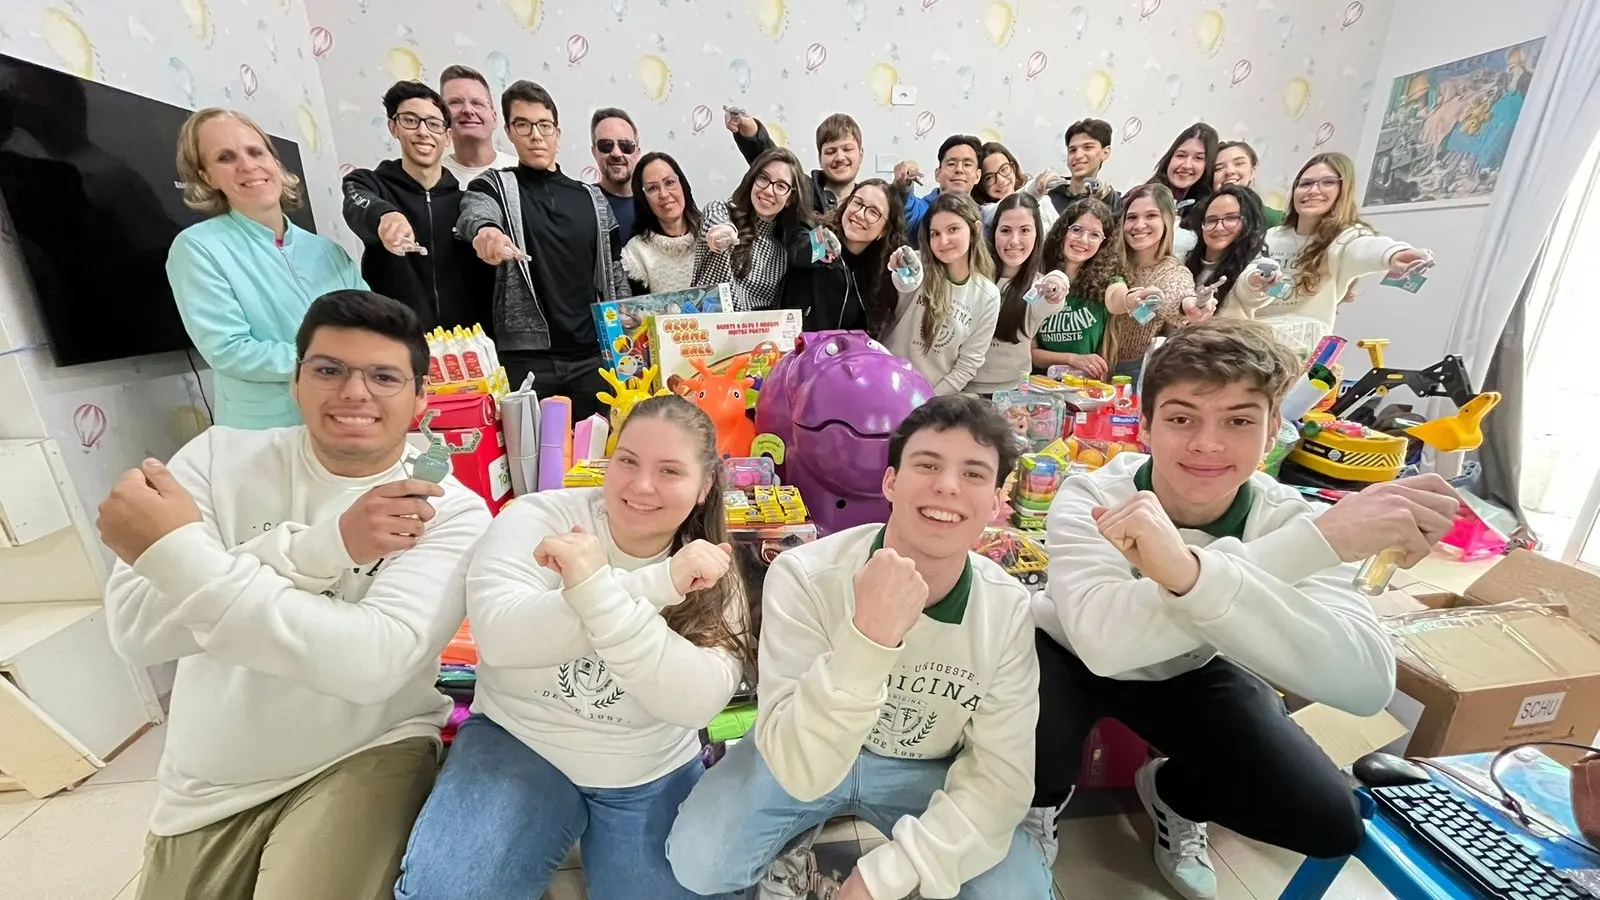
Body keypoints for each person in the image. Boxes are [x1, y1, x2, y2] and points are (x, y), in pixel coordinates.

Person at [1026, 319, 1462, 900]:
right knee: (1029, 737)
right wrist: (1301, 550)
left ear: (1273, 428)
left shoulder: (1294, 519)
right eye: (1182, 418)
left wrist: (1192, 573)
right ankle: (1038, 805)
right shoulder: (1094, 495)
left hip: (1192, 665)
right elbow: (1104, 645)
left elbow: (1366, 685)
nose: (1208, 444)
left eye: (1238, 421)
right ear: (1146, 425)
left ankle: (1174, 794)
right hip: (1066, 653)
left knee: (1327, 819)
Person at [98, 290, 491, 900]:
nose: (355, 392)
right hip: (209, 777)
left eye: (384, 376)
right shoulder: (216, 460)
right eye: (329, 369)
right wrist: (320, 548)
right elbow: (136, 630)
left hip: (366, 748)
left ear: (420, 398)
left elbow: (372, 664)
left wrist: (182, 556)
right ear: (297, 381)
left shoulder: (445, 509)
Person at [667, 394, 1052, 900]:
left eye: (974, 473)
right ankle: (790, 847)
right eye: (927, 464)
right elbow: (797, 764)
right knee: (699, 861)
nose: (948, 485)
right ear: (890, 481)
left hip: (925, 769)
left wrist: (884, 875)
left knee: (1017, 891)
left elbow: (1000, 778)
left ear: (998, 502)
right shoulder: (805, 576)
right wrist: (869, 638)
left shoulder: (1005, 608)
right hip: (798, 749)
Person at [394, 395, 755, 900]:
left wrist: (595, 589)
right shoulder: (541, 518)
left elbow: (694, 704)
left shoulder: (712, 570)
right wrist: (657, 584)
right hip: (519, 740)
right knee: (446, 892)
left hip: (646, 767)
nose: (641, 485)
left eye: (670, 471)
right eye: (627, 461)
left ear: (705, 485)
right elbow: (500, 638)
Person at [167, 107, 365, 430]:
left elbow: (371, 328)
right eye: (225, 157)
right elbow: (230, 351)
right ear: (207, 177)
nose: (248, 165)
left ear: (275, 161)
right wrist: (329, 360)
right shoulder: (198, 248)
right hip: (266, 434)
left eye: (255, 152)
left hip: (345, 421)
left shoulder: (329, 252)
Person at [457, 80, 629, 424]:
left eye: (544, 126)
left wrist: (622, 330)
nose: (536, 135)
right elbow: (475, 214)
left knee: (600, 449)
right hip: (527, 360)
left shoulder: (592, 198)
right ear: (509, 131)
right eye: (523, 125)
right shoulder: (494, 186)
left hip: (593, 356)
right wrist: (486, 233)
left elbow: (614, 270)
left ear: (557, 132)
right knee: (528, 455)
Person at [1230, 152, 1433, 337]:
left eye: (1327, 182)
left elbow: (1365, 248)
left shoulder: (1345, 239)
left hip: (1303, 352)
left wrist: (1394, 254)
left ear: (1343, 190)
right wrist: (1254, 282)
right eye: (1305, 184)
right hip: (1256, 343)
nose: (1313, 190)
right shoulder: (1271, 237)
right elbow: (1246, 289)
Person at [342, 80, 489, 333]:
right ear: (393, 127)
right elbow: (359, 203)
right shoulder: (368, 184)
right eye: (410, 120)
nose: (423, 132)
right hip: (395, 338)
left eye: (433, 124)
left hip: (464, 342)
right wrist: (386, 217)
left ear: (447, 136)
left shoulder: (466, 202)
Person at [883, 191, 1000, 395]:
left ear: (975, 229)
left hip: (930, 397)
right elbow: (905, 281)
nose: (943, 241)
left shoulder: (987, 295)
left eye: (953, 229)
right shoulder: (918, 264)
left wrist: (928, 400)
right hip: (884, 381)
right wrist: (901, 263)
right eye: (935, 233)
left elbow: (967, 365)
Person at [1107, 184, 1214, 378]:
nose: (1139, 225)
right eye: (1132, 217)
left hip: (1131, 374)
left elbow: (1179, 296)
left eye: (1151, 216)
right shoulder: (1110, 259)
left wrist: (1192, 306)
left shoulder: (1172, 272)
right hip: (1087, 364)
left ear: (1167, 220)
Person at [693, 147, 815, 311]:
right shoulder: (720, 210)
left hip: (753, 327)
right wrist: (723, 232)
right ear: (752, 180)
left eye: (781, 186)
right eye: (763, 178)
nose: (769, 191)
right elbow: (716, 225)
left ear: (790, 198)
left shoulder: (782, 252)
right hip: (704, 323)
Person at [784, 178, 910, 336]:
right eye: (857, 203)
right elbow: (799, 249)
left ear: (884, 230)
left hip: (848, 349)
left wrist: (907, 273)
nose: (860, 214)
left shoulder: (879, 269)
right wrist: (823, 247)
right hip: (800, 344)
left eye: (873, 212)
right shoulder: (818, 232)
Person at [968, 193, 1065, 395]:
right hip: (965, 389)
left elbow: (1052, 298)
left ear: (1037, 234)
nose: (1014, 240)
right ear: (993, 232)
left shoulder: (1039, 286)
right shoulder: (973, 277)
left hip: (1013, 393)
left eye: (1025, 230)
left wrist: (1057, 284)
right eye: (1005, 230)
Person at [1032, 197, 1138, 381]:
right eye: (1076, 230)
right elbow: (1031, 353)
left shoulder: (1107, 281)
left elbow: (1117, 298)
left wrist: (1132, 300)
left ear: (1104, 243)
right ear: (1063, 231)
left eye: (1094, 235)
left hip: (1087, 388)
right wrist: (1072, 359)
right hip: (1040, 385)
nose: (1083, 240)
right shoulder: (1039, 276)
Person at [729, 110, 864, 213]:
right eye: (830, 151)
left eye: (847, 149)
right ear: (820, 158)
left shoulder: (868, 203)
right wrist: (751, 133)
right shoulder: (803, 190)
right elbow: (774, 162)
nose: (840, 157)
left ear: (861, 154)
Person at [621, 151, 703, 294]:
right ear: (643, 198)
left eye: (669, 182)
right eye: (652, 188)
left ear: (682, 185)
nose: (664, 194)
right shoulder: (636, 253)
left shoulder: (711, 234)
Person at [1184, 185, 1269, 318]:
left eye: (1231, 218)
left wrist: (1260, 280)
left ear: (1248, 223)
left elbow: (1253, 287)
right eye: (1211, 220)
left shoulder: (1252, 267)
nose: (1219, 227)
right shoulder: (1185, 262)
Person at [1148, 123, 1220, 259]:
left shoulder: (1209, 210)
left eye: (1198, 158)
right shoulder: (1142, 197)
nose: (1187, 165)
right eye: (1181, 155)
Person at [439, 65, 518, 186]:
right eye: (455, 102)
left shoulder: (520, 173)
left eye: (477, 103)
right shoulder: (431, 176)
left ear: (494, 118)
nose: (468, 110)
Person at [894, 133, 982, 240]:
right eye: (951, 164)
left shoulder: (985, 217)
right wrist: (903, 184)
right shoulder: (922, 212)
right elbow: (903, 209)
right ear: (937, 174)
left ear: (978, 176)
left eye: (967, 164)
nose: (959, 169)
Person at [1034, 118, 1121, 217]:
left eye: (1088, 147)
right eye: (1073, 150)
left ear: (1105, 152)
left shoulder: (1113, 202)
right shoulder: (1049, 194)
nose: (1078, 155)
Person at [592, 107, 643, 240]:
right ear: (594, 152)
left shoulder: (655, 203)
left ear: (637, 152)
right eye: (606, 145)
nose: (616, 153)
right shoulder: (582, 203)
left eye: (626, 145)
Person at [1212, 141, 1284, 226]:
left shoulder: (1277, 220)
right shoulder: (1199, 219)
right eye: (1219, 168)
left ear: (1252, 171)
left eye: (1239, 163)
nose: (1229, 171)